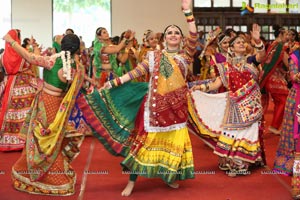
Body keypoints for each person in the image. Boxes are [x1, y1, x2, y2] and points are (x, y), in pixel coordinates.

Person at [78, 0, 197, 196]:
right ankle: (132, 182)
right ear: (165, 39)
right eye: (169, 33)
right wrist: (114, 83)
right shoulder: (153, 56)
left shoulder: (186, 56)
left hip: (177, 110)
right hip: (153, 108)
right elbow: (135, 72)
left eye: (177, 32)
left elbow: (194, 34)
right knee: (142, 146)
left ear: (181, 39)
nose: (174, 35)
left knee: (174, 147)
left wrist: (188, 13)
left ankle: (168, 177)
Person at [3, 30, 85, 195]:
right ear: (77, 50)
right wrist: (34, 47)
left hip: (45, 103)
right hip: (58, 106)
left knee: (39, 140)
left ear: (62, 46)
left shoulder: (52, 62)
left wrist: (11, 42)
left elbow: (29, 57)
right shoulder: (77, 67)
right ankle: (53, 174)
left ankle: (39, 175)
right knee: (51, 141)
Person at [190, 23, 266, 177]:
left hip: (251, 105)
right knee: (233, 132)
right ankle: (233, 161)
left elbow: (261, 56)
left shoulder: (250, 61)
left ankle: (242, 163)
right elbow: (216, 83)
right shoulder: (225, 67)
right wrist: (200, 88)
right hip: (235, 106)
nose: (242, 44)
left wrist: (257, 42)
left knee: (248, 133)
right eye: (238, 42)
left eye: (243, 42)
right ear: (231, 48)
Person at [0, 30, 39, 151]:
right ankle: (26, 140)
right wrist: (35, 46)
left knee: (10, 112)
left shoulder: (2, 56)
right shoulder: (24, 53)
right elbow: (36, 58)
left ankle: (9, 141)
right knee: (28, 112)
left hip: (9, 86)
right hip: (25, 86)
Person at [259, 25, 289, 135]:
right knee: (283, 101)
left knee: (279, 101)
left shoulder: (272, 45)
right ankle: (274, 126)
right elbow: (287, 64)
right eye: (286, 35)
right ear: (280, 35)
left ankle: (274, 126)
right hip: (274, 79)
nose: (288, 37)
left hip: (269, 77)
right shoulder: (281, 47)